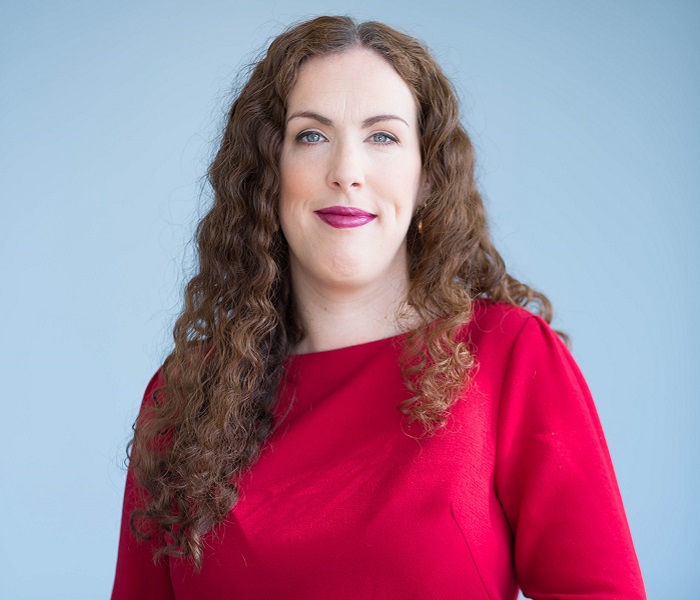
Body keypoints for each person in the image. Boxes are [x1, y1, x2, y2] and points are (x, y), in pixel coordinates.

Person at [112, 15, 646, 599]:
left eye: (383, 137)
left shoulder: (507, 356)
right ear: (268, 175)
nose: (346, 172)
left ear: (426, 178)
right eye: (311, 136)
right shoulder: (186, 393)